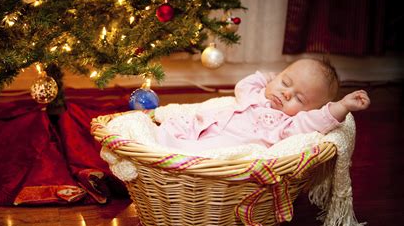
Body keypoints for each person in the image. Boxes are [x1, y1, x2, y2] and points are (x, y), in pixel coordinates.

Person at [155, 58, 370, 152]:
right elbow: (243, 85)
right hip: (205, 127)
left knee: (204, 153)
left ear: (308, 111)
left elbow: (319, 120)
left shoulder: (288, 125)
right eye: (285, 82)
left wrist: (342, 106)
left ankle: (178, 157)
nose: (286, 93)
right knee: (173, 125)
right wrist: (270, 78)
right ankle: (158, 149)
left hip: (225, 146)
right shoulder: (255, 94)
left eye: (299, 99)